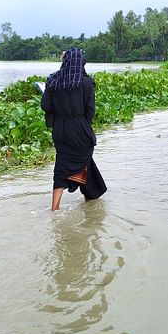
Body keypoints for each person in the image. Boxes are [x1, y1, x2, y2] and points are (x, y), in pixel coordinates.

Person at [41, 47, 107, 211]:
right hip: (79, 129)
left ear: (65, 62)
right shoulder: (86, 83)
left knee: (63, 166)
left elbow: (45, 105)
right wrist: (83, 125)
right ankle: (89, 196)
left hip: (60, 131)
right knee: (83, 159)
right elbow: (90, 111)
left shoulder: (53, 81)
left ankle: (55, 208)